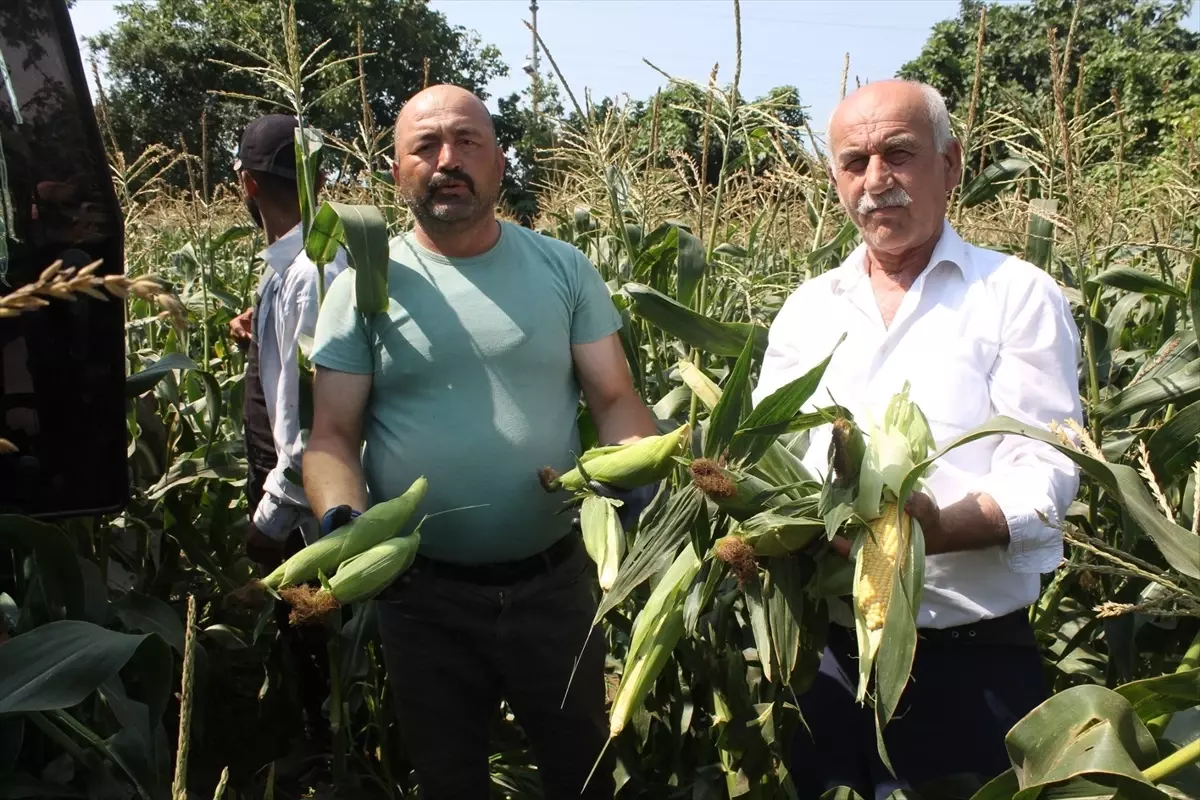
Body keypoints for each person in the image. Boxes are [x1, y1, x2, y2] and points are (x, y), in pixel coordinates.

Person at [302, 84, 659, 799]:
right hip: (423, 594)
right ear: (397, 170)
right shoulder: (364, 286)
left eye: (468, 143)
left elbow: (615, 397)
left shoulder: (564, 269)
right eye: (424, 147)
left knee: (580, 775)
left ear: (499, 163)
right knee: (448, 780)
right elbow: (333, 436)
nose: (447, 161)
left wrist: (642, 489)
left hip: (555, 584)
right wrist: (346, 529)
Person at [751, 79, 1082, 797]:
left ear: (951, 164)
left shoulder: (1016, 294)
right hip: (829, 659)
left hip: (971, 664)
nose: (877, 181)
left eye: (899, 154)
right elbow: (773, 455)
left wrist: (937, 527)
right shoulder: (807, 311)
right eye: (853, 161)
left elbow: (1047, 466)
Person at [228, 113, 349, 753]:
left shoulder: (312, 270)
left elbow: (316, 423)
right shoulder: (288, 268)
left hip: (300, 500)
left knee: (317, 627)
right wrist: (258, 325)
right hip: (286, 483)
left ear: (246, 184)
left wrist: (270, 519)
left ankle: (330, 753)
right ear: (317, 178)